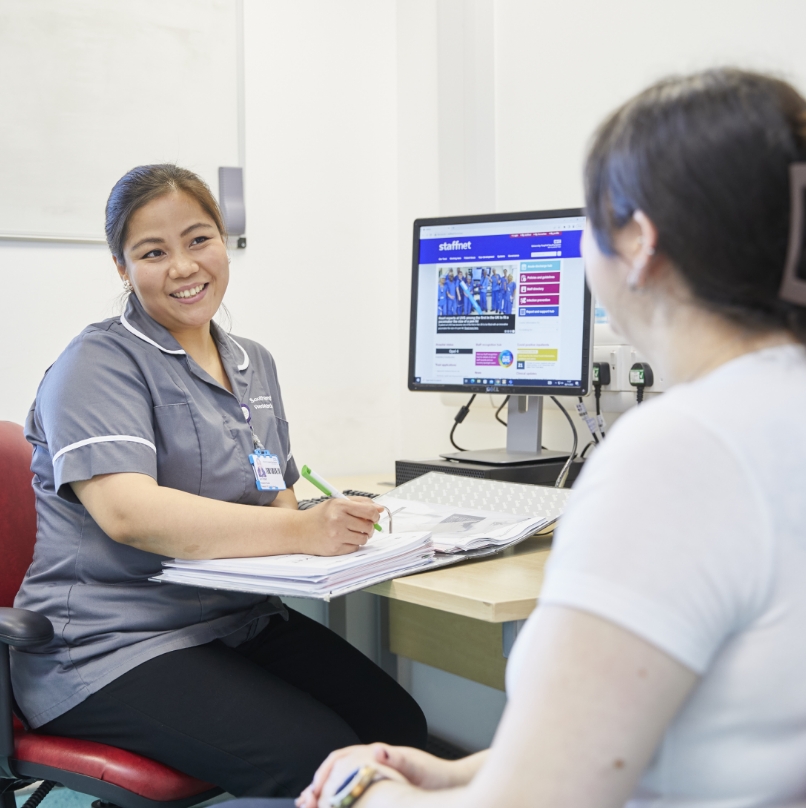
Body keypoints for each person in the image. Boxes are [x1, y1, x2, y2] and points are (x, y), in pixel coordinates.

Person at [298, 68, 806, 808]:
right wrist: (454, 772)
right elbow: (703, 725)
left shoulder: (677, 454)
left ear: (638, 242)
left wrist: (359, 792)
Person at [11, 165, 426, 800]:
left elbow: (278, 490)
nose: (182, 267)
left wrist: (325, 528)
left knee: (398, 728)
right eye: (153, 252)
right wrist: (297, 529)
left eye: (198, 239)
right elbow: (128, 513)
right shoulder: (94, 364)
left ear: (223, 241)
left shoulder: (252, 362)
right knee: (317, 758)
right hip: (109, 644)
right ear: (123, 268)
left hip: (236, 622)